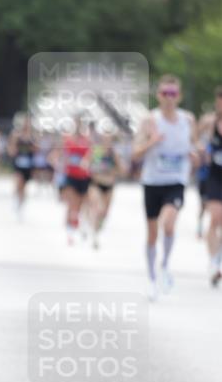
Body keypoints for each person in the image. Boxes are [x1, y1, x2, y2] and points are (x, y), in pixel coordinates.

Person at [132, 75, 196, 301]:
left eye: (173, 94)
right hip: (152, 182)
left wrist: (194, 155)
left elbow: (193, 146)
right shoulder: (150, 120)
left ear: (179, 96)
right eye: (165, 93)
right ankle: (151, 280)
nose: (169, 98)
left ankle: (165, 266)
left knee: (168, 223)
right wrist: (152, 141)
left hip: (175, 180)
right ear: (158, 96)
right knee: (152, 234)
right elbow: (135, 153)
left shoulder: (188, 120)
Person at [197, 86, 222, 286]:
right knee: (215, 217)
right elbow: (193, 138)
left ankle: (218, 258)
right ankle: (213, 262)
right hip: (214, 176)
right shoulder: (209, 122)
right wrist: (199, 149)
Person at [88, 127, 124, 249]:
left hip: (109, 185)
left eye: (109, 139)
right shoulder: (96, 151)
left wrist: (111, 170)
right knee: (98, 208)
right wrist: (94, 168)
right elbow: (85, 164)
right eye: (104, 139)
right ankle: (94, 235)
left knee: (105, 213)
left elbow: (122, 170)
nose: (106, 141)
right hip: (96, 184)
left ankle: (98, 228)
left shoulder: (114, 153)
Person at [59, 117, 92, 245]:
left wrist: (86, 162)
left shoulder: (87, 140)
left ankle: (78, 226)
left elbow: (91, 156)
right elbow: (62, 155)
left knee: (80, 207)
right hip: (71, 177)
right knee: (72, 205)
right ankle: (69, 233)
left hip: (83, 177)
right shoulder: (67, 139)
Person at [7, 114, 36, 218]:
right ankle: (15, 200)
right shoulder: (16, 135)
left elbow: (36, 150)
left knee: (24, 187)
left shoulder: (32, 136)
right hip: (18, 163)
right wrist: (13, 151)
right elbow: (11, 148)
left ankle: (21, 205)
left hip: (28, 165)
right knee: (18, 182)